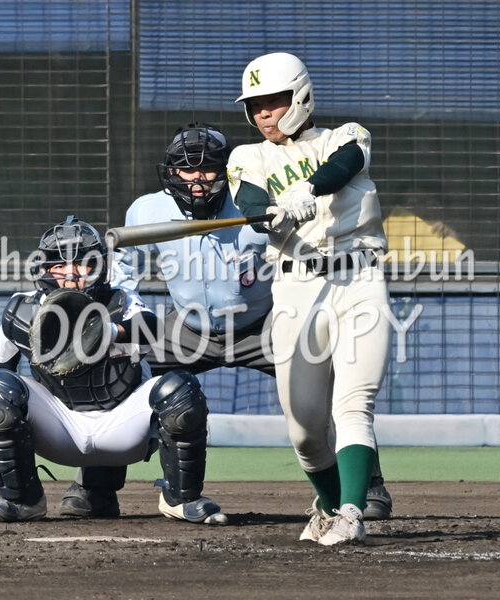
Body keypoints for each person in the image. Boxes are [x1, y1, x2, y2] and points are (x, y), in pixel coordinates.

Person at [63, 122, 393, 523]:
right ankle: (95, 488)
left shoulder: (257, 200)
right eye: (187, 168)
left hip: (263, 323)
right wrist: (127, 323)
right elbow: (123, 274)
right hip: (186, 329)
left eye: (206, 168)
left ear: (226, 170)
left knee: (330, 387)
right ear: (170, 171)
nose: (197, 178)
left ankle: (368, 486)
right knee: (119, 372)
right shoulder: (146, 211)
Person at [227, 52, 392, 545]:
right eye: (255, 105)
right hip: (295, 289)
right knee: (304, 430)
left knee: (353, 405)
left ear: (300, 97)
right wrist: (269, 214)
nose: (263, 113)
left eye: (274, 101)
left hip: (358, 281)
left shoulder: (345, 136)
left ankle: (352, 513)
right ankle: (328, 506)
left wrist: (307, 189)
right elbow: (250, 201)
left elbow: (346, 164)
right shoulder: (247, 156)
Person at [0, 215, 227, 526]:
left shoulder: (120, 300)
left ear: (100, 267)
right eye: (59, 264)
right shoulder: (21, 310)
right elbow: (1, 370)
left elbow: (150, 327)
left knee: (180, 390)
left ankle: (181, 499)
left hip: (122, 427)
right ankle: (21, 501)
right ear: (44, 269)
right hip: (61, 429)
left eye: (82, 264)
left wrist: (109, 330)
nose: (70, 274)